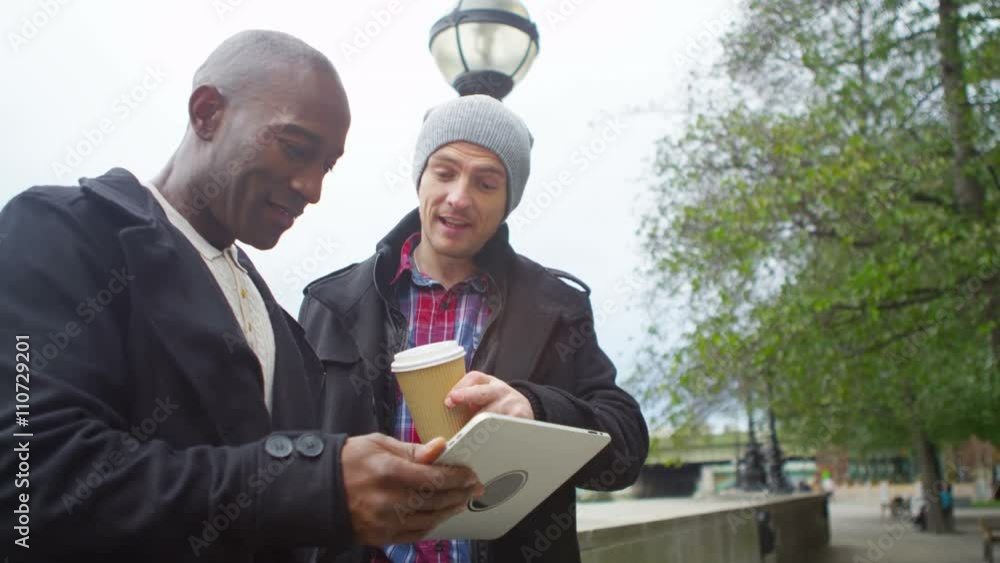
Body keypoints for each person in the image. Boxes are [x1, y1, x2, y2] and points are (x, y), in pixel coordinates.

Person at [0, 30, 479, 563]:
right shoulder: (60, 233)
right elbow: (26, 486)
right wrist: (316, 485)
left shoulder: (275, 318)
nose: (312, 188)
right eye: (296, 149)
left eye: (327, 166)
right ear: (207, 113)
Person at [300, 95, 650, 563]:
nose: (459, 198)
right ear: (420, 177)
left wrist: (535, 407)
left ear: (509, 201)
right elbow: (292, 457)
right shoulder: (333, 304)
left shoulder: (556, 308)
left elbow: (624, 454)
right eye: (444, 172)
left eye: (486, 183)